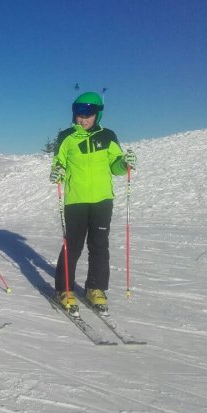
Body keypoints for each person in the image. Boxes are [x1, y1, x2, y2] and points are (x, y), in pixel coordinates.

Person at [50, 91, 137, 316]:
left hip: (102, 200)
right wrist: (57, 172)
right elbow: (58, 163)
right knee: (73, 245)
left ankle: (95, 288)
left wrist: (124, 164)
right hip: (76, 200)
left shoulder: (108, 136)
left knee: (99, 245)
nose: (83, 119)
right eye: (79, 114)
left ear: (97, 115)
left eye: (88, 114)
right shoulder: (67, 137)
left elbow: (115, 166)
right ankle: (64, 289)